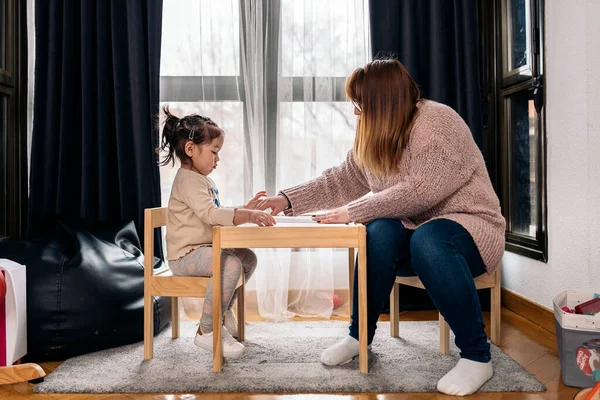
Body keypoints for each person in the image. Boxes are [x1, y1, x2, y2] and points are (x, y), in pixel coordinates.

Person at [256, 59, 505, 396]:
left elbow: (421, 190)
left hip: (470, 230)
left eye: (360, 104)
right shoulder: (376, 137)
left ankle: (477, 356)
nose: (356, 112)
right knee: (379, 231)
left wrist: (353, 210)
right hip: (417, 233)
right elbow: (340, 180)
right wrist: (285, 200)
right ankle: (359, 337)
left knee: (427, 239)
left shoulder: (438, 122)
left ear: (382, 102)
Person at [158, 106, 275, 358]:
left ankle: (222, 312)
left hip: (203, 251)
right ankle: (207, 331)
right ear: (191, 149)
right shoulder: (187, 180)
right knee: (230, 265)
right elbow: (211, 215)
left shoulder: (201, 180)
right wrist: (247, 215)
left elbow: (214, 212)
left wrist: (245, 209)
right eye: (214, 152)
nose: (217, 159)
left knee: (247, 258)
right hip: (185, 256)